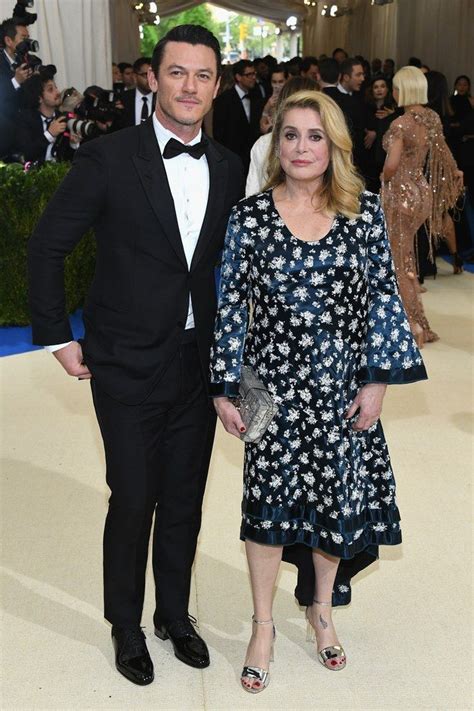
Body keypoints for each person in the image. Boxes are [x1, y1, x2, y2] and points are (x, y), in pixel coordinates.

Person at [28, 24, 244, 687]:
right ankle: (125, 622)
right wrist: (58, 335)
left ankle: (174, 615)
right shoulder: (109, 157)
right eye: (177, 72)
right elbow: (47, 246)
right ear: (153, 78)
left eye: (203, 75)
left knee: (184, 498)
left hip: (195, 362)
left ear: (215, 86)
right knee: (134, 496)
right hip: (122, 360)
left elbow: (234, 269)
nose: (190, 86)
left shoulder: (231, 166)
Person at [210, 89, 427, 693]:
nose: (302, 147)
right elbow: (231, 306)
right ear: (275, 144)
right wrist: (224, 387)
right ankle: (262, 626)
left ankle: (321, 612)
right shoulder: (248, 218)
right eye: (291, 135)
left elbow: (385, 301)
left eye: (315, 136)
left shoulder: (363, 215)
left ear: (335, 146)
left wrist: (378, 382)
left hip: (341, 393)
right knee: (265, 518)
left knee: (334, 509)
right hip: (274, 398)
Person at [381, 66, 464, 346]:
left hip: (400, 195)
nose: (392, 92)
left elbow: (391, 165)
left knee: (398, 260)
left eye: (394, 88)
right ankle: (416, 320)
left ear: (402, 90)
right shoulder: (431, 118)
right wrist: (455, 170)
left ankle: (412, 326)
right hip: (421, 194)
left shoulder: (400, 124)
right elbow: (442, 151)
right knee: (406, 257)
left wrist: (383, 177)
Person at [246, 76, 317, 196]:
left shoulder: (263, 143)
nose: (301, 147)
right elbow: (252, 192)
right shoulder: (264, 143)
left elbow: (252, 191)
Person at [212, 59, 264, 172]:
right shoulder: (224, 100)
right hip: (231, 158)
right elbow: (219, 133)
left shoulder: (256, 96)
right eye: (249, 75)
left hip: (252, 158)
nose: (253, 77)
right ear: (238, 77)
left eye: (254, 73)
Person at [0, 16, 33, 157]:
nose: (27, 42)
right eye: (23, 37)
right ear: (8, 40)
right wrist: (16, 81)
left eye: (28, 37)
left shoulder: (25, 61)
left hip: (24, 133)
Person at [116, 57, 155, 128]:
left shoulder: (162, 99)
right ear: (135, 77)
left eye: (153, 75)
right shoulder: (123, 98)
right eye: (145, 75)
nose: (151, 79)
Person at [259, 64, 288, 134]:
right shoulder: (266, 100)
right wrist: (267, 107)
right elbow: (262, 128)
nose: (277, 85)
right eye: (274, 82)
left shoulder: (292, 99)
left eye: (281, 81)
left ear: (287, 81)